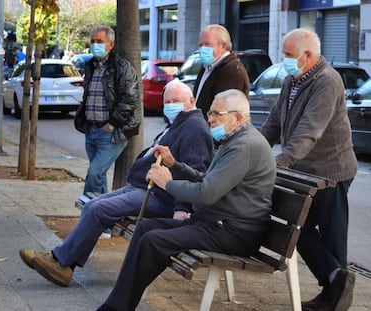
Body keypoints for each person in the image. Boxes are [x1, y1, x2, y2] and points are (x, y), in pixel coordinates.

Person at [19, 79, 215, 287]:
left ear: (191, 100)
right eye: (168, 101)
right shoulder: (181, 123)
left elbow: (194, 174)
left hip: (161, 196)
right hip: (144, 188)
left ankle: (60, 262)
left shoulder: (194, 127)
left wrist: (181, 210)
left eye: (176, 100)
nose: (170, 105)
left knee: (98, 209)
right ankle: (63, 262)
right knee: (93, 205)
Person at [96, 89, 276, 311]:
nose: (210, 119)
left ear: (238, 116)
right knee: (145, 229)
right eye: (210, 113)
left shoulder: (244, 146)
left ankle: (116, 307)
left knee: (154, 241)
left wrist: (167, 184)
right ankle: (118, 302)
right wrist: (174, 165)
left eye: (216, 114)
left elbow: (206, 193)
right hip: (217, 222)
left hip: (233, 231)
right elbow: (207, 180)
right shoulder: (234, 140)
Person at [260, 28, 358, 311]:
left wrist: (278, 162)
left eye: (288, 55)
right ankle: (335, 284)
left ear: (307, 55)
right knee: (296, 228)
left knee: (329, 234)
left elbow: (309, 132)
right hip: (305, 171)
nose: (284, 60)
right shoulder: (293, 79)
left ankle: (334, 296)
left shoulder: (328, 81)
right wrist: (250, 149)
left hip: (331, 170)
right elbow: (273, 123)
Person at [74, 24, 141, 196]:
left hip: (111, 132)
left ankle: (88, 213)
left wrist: (112, 124)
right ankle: (104, 219)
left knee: (95, 173)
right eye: (92, 41)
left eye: (99, 41)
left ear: (110, 44)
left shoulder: (121, 67)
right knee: (99, 177)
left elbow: (130, 99)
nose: (95, 45)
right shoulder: (90, 66)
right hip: (92, 130)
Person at [193, 24, 250, 117]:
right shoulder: (206, 67)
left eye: (207, 44)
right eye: (200, 45)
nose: (202, 49)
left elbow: (223, 110)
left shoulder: (232, 71)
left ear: (223, 45)